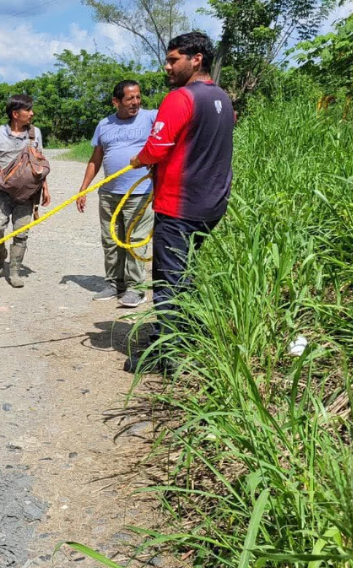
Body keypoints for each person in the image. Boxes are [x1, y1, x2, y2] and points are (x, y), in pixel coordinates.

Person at [129, 32, 235, 373]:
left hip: (180, 206)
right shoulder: (223, 99)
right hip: (212, 204)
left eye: (174, 60)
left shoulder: (180, 98)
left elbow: (157, 148)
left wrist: (137, 160)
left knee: (168, 281)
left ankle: (166, 356)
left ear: (197, 59)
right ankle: (187, 336)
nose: (168, 66)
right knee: (183, 274)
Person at [76, 80, 156, 308]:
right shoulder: (104, 125)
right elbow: (95, 159)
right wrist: (83, 189)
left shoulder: (151, 118)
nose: (136, 102)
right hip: (110, 194)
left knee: (135, 241)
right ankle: (114, 283)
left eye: (138, 97)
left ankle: (135, 288)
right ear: (116, 101)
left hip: (140, 193)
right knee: (111, 240)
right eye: (130, 98)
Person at [0, 94, 51, 288]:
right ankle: (1, 254)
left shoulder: (35, 134)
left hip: (27, 194)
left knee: (21, 233)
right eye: (28, 110)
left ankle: (15, 271)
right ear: (15, 114)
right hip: (2, 191)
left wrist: (45, 188)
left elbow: (40, 162)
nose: (32, 113)